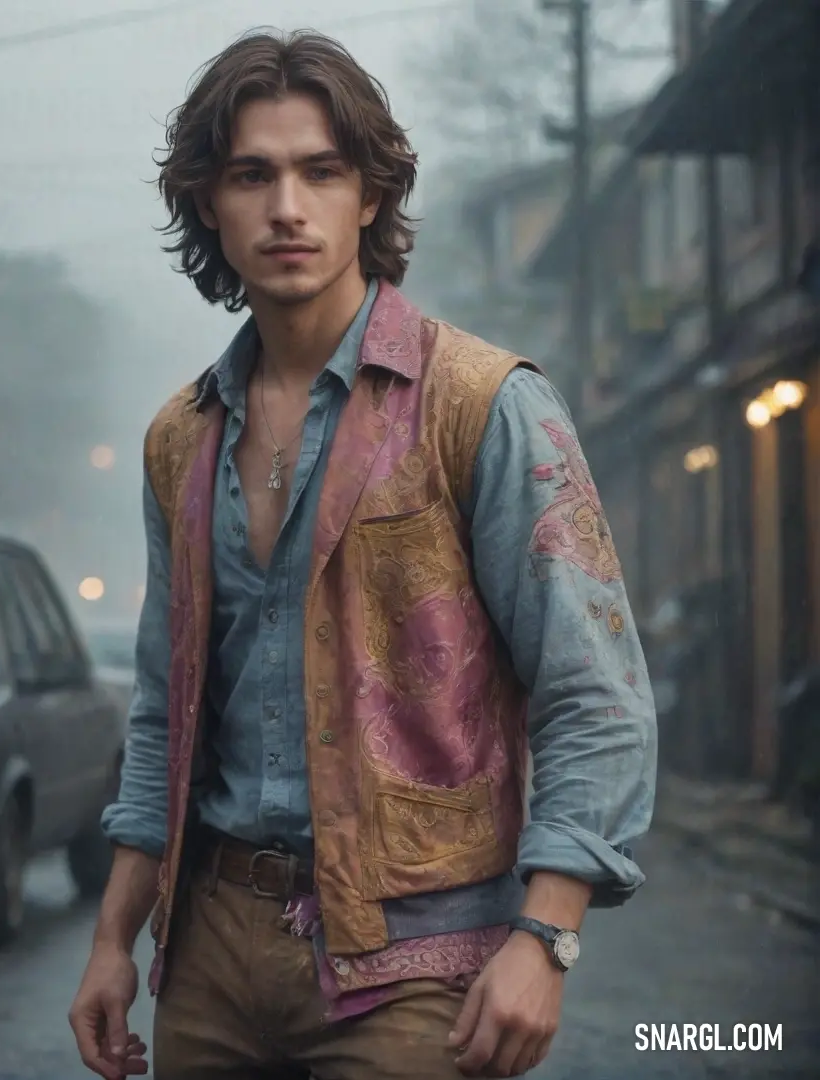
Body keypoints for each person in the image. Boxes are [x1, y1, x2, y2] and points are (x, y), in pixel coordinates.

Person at [69, 28, 657, 1080]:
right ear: (209, 200)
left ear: (371, 195)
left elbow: (595, 693)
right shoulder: (182, 437)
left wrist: (547, 937)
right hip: (205, 959)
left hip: (413, 969)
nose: (287, 207)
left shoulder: (483, 404)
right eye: (253, 174)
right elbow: (165, 711)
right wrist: (115, 938)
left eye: (321, 172)